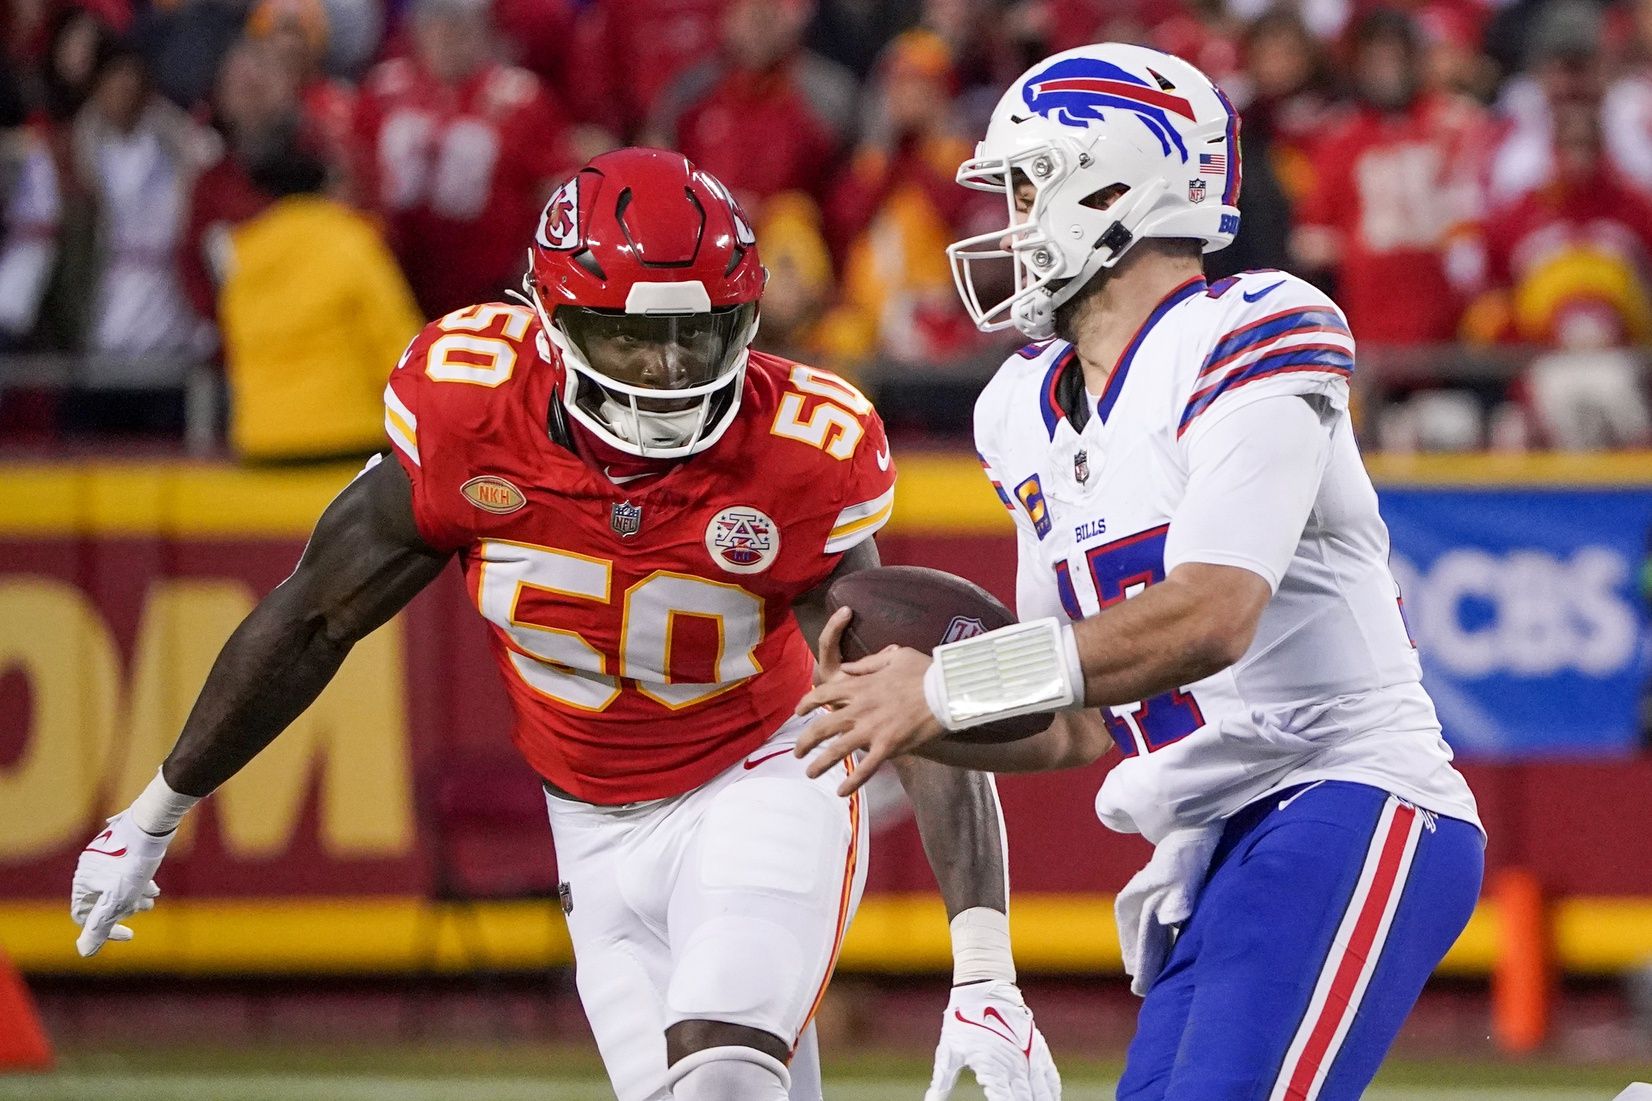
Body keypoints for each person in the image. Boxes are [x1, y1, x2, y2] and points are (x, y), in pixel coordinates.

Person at [69, 148, 1059, 1101]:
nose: (669, 369)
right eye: (631, 336)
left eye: (699, 334)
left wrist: (980, 965)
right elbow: (315, 616)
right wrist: (153, 812)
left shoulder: (799, 447)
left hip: (761, 778)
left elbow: (899, 690)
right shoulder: (469, 409)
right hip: (586, 824)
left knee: (720, 1074)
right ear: (551, 318)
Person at [796, 44, 1485, 1101]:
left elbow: (1212, 615)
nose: (1007, 223)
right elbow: (1076, 718)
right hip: (1211, 854)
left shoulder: (1255, 329)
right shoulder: (1018, 409)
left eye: (1025, 189)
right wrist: (902, 715)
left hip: (1348, 795)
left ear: (1112, 187)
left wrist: (942, 685)